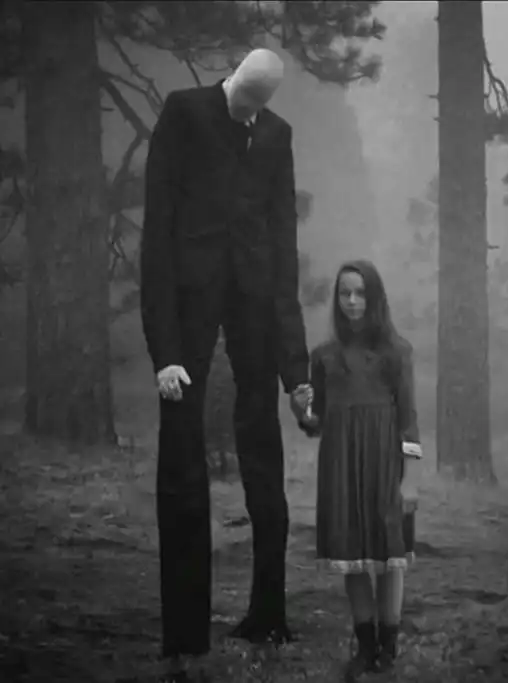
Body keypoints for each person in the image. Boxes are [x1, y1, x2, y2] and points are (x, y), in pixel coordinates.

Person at [140, 48, 313, 682]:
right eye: (242, 98)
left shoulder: (276, 136)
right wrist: (165, 353)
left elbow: (285, 248)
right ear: (232, 77)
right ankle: (184, 633)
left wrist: (297, 373)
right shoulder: (184, 113)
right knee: (181, 454)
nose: (246, 112)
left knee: (263, 447)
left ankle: (268, 614)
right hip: (189, 305)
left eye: (256, 105)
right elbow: (157, 235)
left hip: (256, 306)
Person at [300, 259, 422, 680]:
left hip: (386, 464)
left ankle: (388, 647)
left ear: (374, 298)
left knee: (390, 557)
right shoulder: (324, 357)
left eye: (360, 293)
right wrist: (302, 411)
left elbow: (408, 419)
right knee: (352, 558)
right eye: (344, 293)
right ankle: (365, 646)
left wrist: (410, 479)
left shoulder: (396, 352)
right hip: (341, 465)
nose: (352, 301)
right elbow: (316, 423)